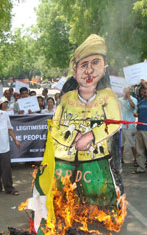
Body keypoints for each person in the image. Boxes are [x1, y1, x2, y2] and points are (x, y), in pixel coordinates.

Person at [51, 34, 123, 206]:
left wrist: (90, 136)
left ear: (104, 67)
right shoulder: (66, 98)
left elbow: (115, 122)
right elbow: (55, 126)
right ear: (75, 72)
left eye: (95, 63)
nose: (89, 71)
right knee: (62, 195)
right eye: (84, 65)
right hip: (65, 159)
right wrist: (74, 138)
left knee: (100, 195)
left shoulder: (108, 97)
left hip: (96, 159)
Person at [118, 87, 137, 166]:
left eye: (128, 89)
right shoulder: (120, 100)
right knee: (120, 144)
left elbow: (133, 106)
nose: (126, 91)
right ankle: (120, 158)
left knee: (132, 143)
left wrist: (128, 97)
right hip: (120, 125)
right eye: (124, 89)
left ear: (130, 91)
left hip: (129, 125)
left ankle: (136, 159)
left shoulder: (134, 99)